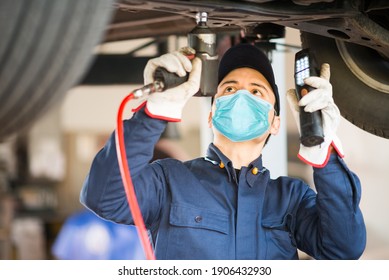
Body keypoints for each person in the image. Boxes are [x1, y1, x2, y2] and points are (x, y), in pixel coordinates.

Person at [80, 43, 366, 260]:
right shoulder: (169, 181)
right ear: (211, 114)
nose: (241, 95)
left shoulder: (291, 199)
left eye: (256, 92)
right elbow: (104, 197)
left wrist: (323, 151)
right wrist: (154, 113)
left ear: (275, 123)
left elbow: (343, 248)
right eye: (229, 89)